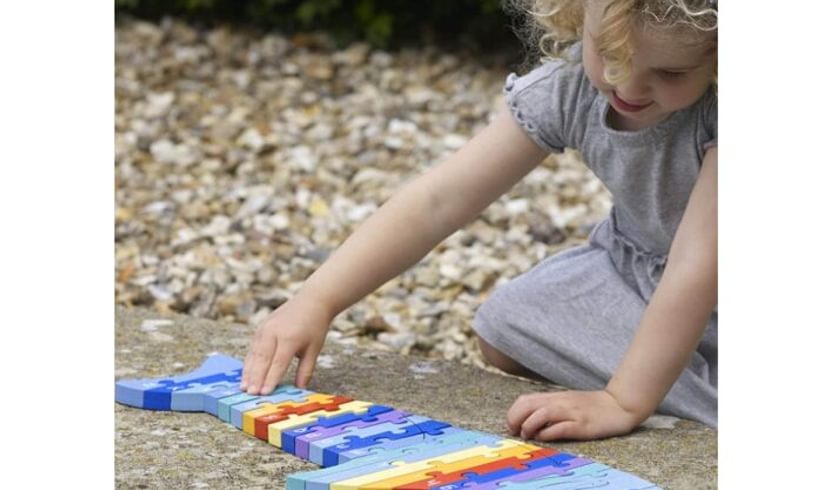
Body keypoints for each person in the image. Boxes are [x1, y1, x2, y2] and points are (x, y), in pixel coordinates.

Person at [241, 0, 718, 442]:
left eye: (671, 72)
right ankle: (678, 375)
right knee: (507, 325)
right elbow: (438, 200)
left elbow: (696, 265)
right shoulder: (572, 87)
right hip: (632, 269)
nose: (628, 86)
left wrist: (622, 401)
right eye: (609, 53)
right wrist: (317, 299)